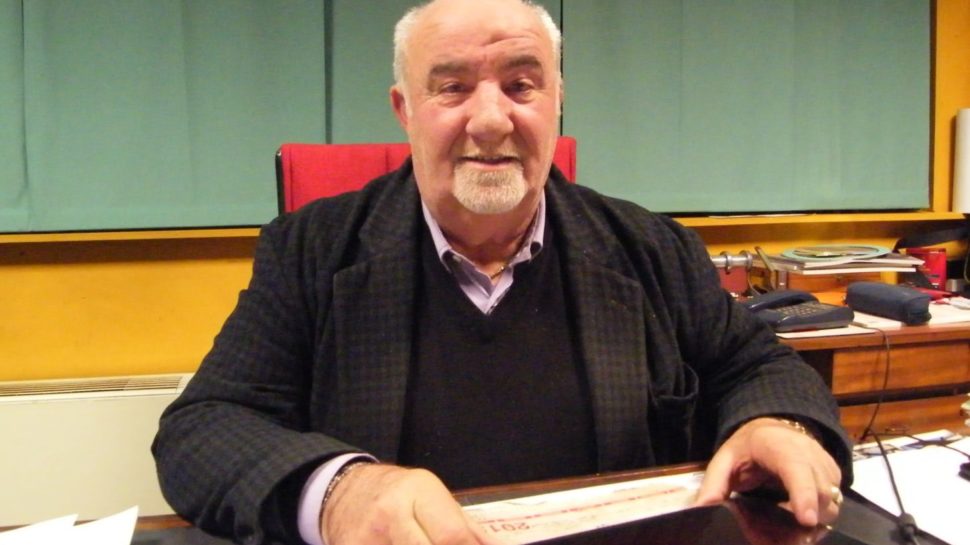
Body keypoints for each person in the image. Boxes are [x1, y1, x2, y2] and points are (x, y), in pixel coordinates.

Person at [152, 1, 852, 544]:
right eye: (452, 87)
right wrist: (338, 494)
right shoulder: (311, 250)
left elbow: (756, 365)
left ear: (556, 101)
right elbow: (204, 428)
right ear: (405, 110)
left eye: (521, 85)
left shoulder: (651, 247)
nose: (491, 119)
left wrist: (781, 425)